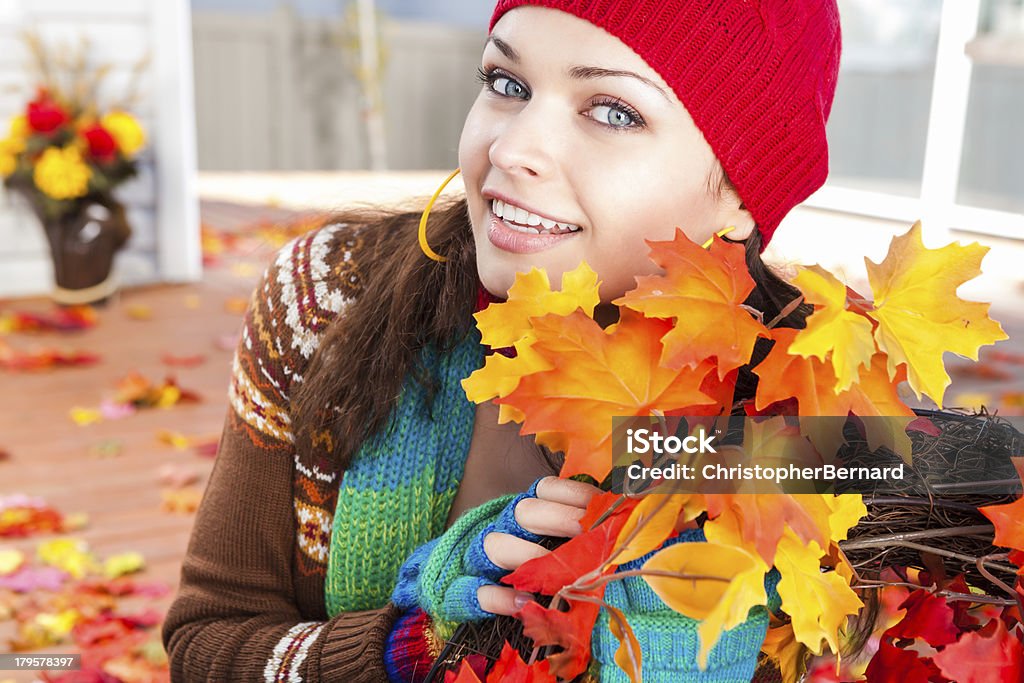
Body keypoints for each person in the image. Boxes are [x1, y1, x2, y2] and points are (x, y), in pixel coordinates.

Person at [161, 1, 842, 681]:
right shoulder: (329, 299)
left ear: (740, 194)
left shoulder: (803, 415)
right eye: (507, 84)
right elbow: (206, 644)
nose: (511, 149)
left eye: (612, 112)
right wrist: (415, 649)